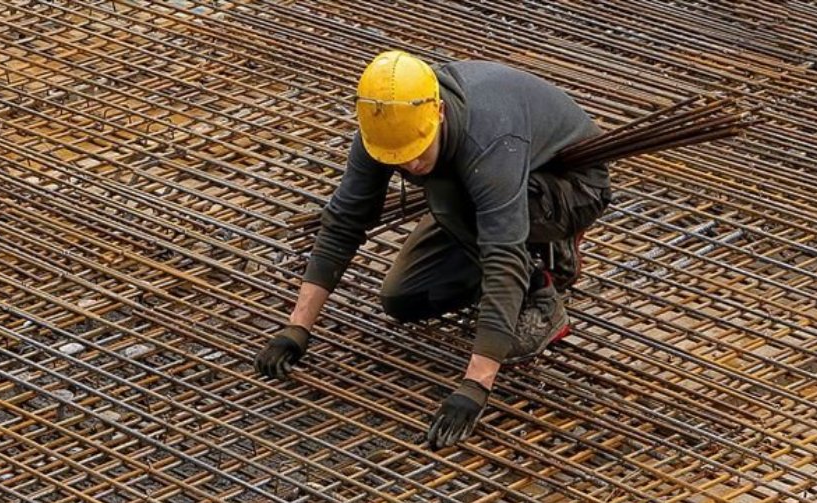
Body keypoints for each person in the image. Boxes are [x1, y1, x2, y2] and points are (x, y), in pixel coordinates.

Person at [254, 50, 611, 449]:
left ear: (438, 112)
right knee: (404, 299)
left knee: (449, 196)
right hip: (480, 192)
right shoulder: (384, 124)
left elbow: (502, 254)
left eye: (416, 152)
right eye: (399, 160)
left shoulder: (488, 138)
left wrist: (475, 385)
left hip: (569, 187)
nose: (409, 166)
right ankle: (518, 252)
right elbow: (343, 220)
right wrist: (296, 328)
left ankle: (541, 287)